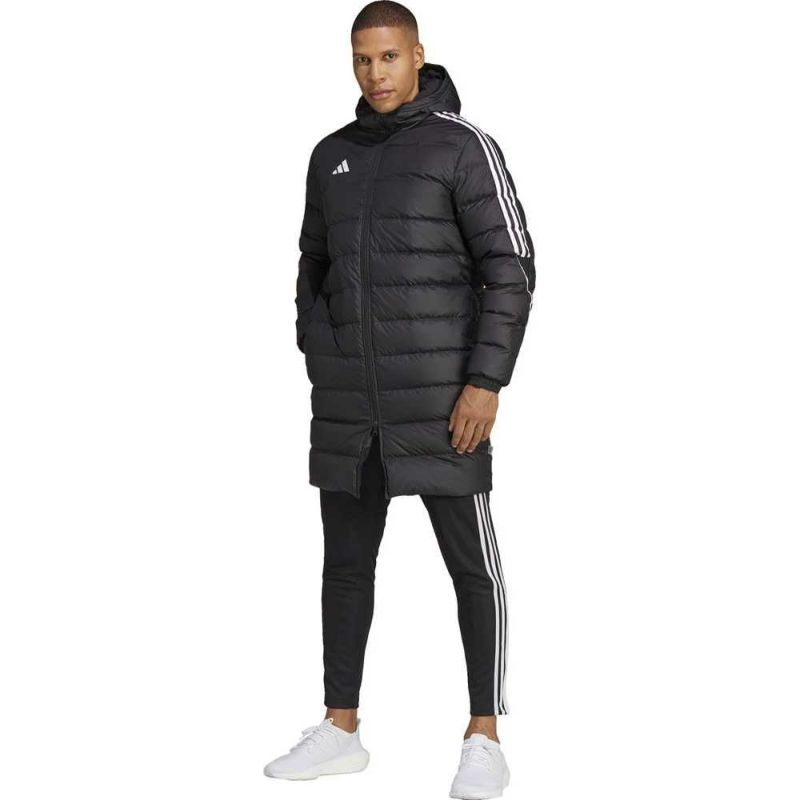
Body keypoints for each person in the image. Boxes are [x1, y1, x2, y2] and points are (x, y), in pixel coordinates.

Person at [264, 3, 535, 797]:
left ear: (417, 55)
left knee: (471, 569)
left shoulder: (463, 146)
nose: (374, 73)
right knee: (345, 568)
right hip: (351, 404)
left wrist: (485, 382)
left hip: (445, 401)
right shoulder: (331, 155)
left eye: (388, 57)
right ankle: (340, 728)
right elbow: (311, 264)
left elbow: (512, 268)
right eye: (362, 59)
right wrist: (318, 347)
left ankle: (484, 736)